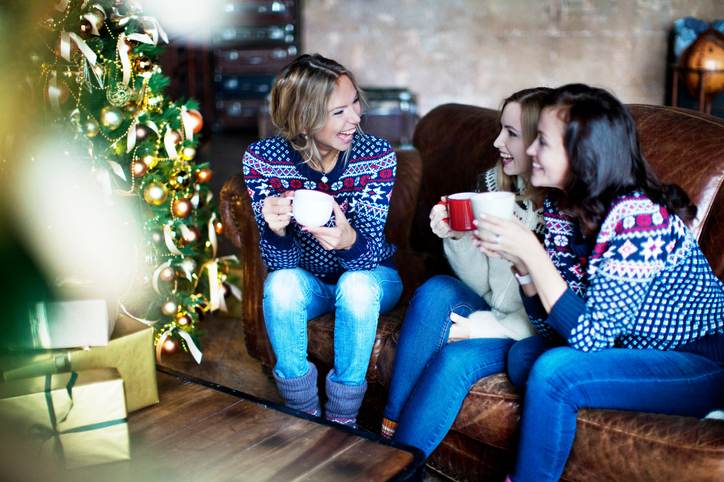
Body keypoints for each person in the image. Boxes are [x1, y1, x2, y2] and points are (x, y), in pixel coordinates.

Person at [475, 83, 724, 482]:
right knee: (525, 357)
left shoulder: (638, 218)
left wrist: (534, 255)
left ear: (582, 154)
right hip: (625, 348)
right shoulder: (562, 209)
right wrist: (524, 268)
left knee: (555, 371)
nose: (532, 152)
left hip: (699, 360)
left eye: (542, 141)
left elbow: (588, 340)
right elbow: (554, 327)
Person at [380, 88, 550, 453]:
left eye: (511, 134)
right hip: (499, 313)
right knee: (437, 289)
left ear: (542, 141)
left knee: (454, 359)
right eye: (500, 129)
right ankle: (388, 433)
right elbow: (487, 287)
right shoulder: (496, 187)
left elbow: (552, 316)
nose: (497, 141)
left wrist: (482, 328)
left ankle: (400, 463)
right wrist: (459, 237)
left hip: (535, 333)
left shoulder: (564, 215)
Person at [241, 54, 403, 426]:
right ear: (304, 118)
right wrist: (276, 229)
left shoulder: (375, 155)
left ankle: (343, 418)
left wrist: (348, 240)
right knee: (280, 285)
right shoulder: (264, 160)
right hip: (310, 282)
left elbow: (367, 259)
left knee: (357, 284)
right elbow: (280, 265)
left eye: (355, 103)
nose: (356, 118)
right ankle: (304, 413)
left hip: (374, 274)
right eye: (339, 112)